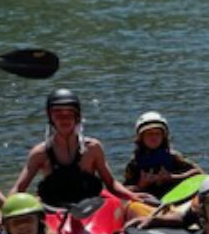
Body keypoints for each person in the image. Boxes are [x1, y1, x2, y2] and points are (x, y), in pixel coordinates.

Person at [12, 88, 140, 208]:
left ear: (77, 116)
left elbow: (111, 184)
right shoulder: (40, 153)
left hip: (90, 208)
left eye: (69, 114)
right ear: (50, 117)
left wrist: (132, 196)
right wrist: (4, 214)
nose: (64, 119)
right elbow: (19, 188)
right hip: (54, 209)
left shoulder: (93, 148)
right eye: (58, 114)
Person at [122, 112, 201, 198]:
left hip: (173, 197)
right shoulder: (135, 163)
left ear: (163, 137)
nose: (153, 137)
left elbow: (198, 172)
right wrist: (141, 185)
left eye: (157, 134)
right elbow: (123, 190)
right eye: (149, 134)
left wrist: (172, 177)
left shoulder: (173, 156)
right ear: (141, 138)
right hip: (147, 201)